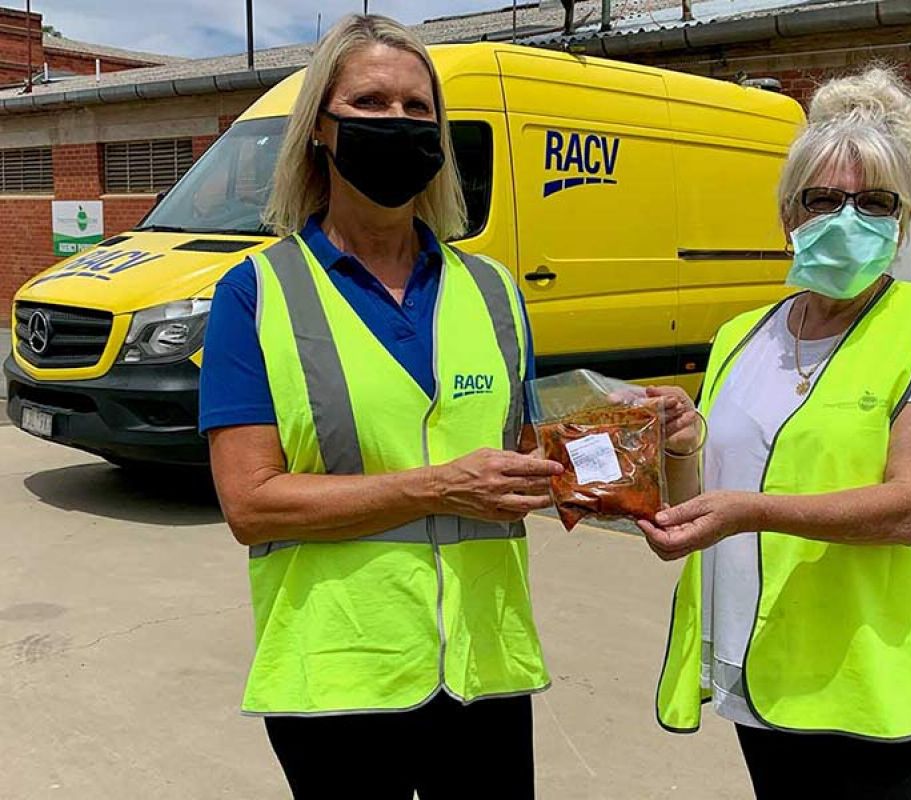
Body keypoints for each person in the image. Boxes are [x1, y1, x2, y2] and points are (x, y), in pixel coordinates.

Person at [198, 15, 562, 799]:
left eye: (416, 108)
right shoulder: (256, 294)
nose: (396, 123)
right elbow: (250, 503)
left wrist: (637, 439)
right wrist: (434, 486)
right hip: (338, 671)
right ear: (320, 131)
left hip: (483, 666)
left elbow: (533, 458)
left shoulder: (492, 289)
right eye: (369, 102)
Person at [640, 66, 911, 800]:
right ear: (786, 217)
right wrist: (676, 447)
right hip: (756, 654)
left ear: (900, 223)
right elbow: (698, 494)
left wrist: (752, 511)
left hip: (861, 674)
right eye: (823, 199)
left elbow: (909, 509)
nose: (847, 218)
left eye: (873, 202)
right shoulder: (743, 336)